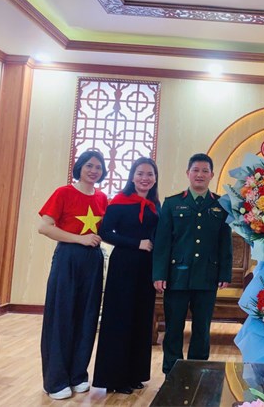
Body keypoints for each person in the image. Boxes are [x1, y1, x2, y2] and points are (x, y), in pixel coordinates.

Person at [152, 153, 233, 375]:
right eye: (195, 170)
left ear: (212, 175)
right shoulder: (172, 203)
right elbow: (163, 242)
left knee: (202, 329)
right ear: (188, 173)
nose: (200, 174)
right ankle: (172, 372)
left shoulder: (221, 205)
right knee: (173, 327)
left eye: (205, 171)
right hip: (176, 276)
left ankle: (197, 371)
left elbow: (225, 243)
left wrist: (225, 273)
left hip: (207, 276)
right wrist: (159, 274)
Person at [38, 150, 108, 400]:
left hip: (93, 261)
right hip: (68, 258)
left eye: (98, 167)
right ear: (79, 167)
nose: (93, 170)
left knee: (87, 316)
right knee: (61, 316)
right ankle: (55, 380)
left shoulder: (102, 198)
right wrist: (79, 239)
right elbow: (44, 227)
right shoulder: (63, 193)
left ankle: (78, 374)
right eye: (89, 165)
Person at [93, 157, 160, 394]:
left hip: (146, 268)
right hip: (123, 266)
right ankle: (114, 378)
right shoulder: (119, 202)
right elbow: (105, 233)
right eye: (140, 173)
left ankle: (134, 374)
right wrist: (136, 243)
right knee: (119, 320)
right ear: (132, 176)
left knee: (141, 320)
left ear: (155, 178)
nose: (145, 178)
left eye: (150, 174)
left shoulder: (155, 205)